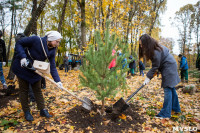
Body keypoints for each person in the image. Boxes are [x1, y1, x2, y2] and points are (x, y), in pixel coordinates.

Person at [12, 31, 63, 121]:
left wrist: (57, 81)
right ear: (51, 39)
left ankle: (42, 109)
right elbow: (19, 43)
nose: (58, 44)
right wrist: (23, 57)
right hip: (23, 66)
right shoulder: (36, 40)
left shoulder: (52, 50)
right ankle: (26, 111)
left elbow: (53, 66)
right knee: (24, 90)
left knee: (38, 90)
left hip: (35, 69)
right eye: (57, 41)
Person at [139, 34, 181, 119]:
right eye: (140, 44)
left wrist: (148, 77)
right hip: (170, 65)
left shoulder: (155, 51)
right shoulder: (155, 48)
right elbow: (157, 65)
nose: (141, 46)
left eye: (142, 44)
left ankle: (165, 114)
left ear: (146, 43)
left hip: (168, 67)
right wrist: (153, 73)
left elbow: (155, 66)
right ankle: (176, 108)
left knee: (167, 88)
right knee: (171, 88)